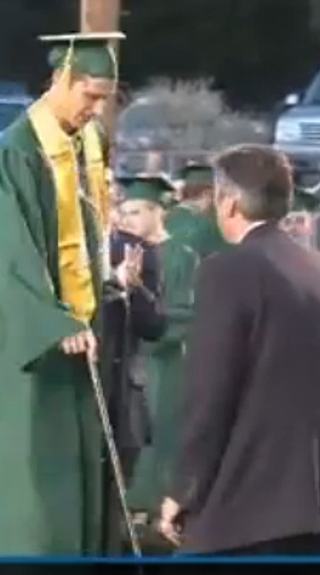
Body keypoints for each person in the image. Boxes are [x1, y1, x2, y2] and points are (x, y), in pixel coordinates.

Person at [156, 145, 320, 575]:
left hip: (244, 513)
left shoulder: (229, 272)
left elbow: (212, 392)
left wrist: (183, 489)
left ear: (227, 203)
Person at [0, 31, 127, 556]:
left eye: (104, 98)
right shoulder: (19, 150)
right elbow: (12, 251)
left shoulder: (83, 143)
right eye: (90, 95)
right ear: (62, 82)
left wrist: (106, 285)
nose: (96, 109)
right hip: (30, 338)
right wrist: (52, 321)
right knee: (18, 472)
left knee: (67, 468)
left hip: (76, 334)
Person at [117, 177, 194, 515]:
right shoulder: (119, 252)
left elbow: (186, 312)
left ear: (156, 212)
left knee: (162, 436)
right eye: (123, 213)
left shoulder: (182, 256)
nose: (125, 220)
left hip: (162, 362)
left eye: (134, 212)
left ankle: (161, 510)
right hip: (124, 359)